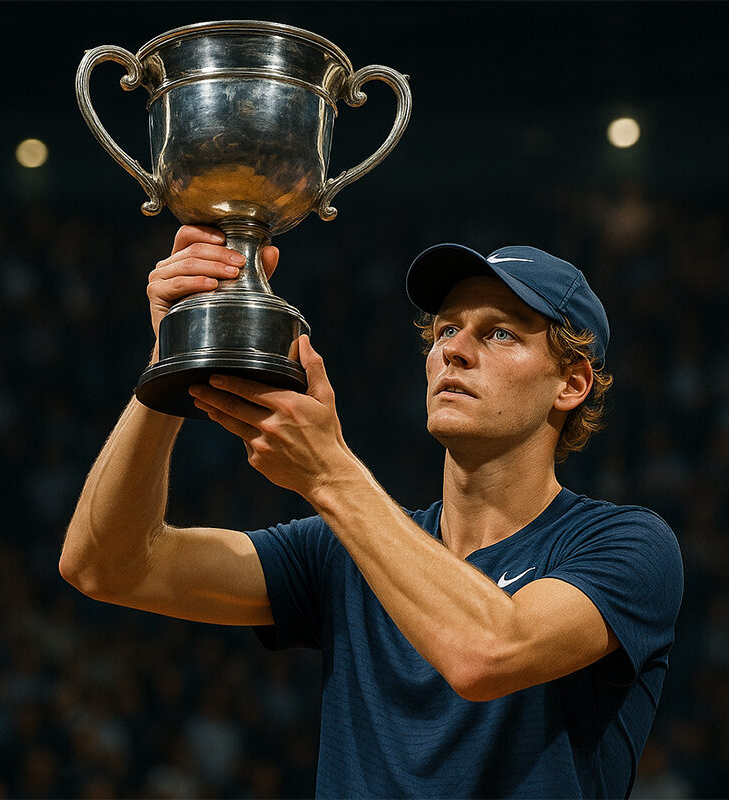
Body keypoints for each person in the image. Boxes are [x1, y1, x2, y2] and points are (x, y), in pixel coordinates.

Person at [61, 225, 683, 798]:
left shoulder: (628, 545)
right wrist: (174, 356)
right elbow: (107, 565)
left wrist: (330, 473)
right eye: (445, 329)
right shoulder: (341, 550)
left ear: (571, 383)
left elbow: (488, 652)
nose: (455, 350)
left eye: (500, 333)